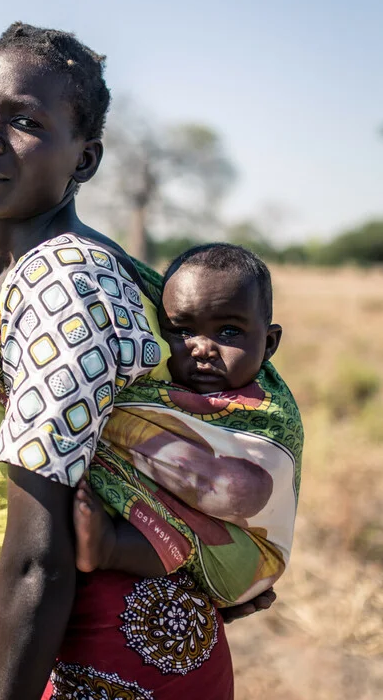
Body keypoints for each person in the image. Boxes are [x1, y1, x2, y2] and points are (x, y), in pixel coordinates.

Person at [0, 23, 294, 700]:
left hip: (105, 651)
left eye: (24, 120)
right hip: (67, 631)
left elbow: (40, 553)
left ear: (83, 161)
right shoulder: (14, 272)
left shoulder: (66, 284)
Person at [73, 243, 291, 594]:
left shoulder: (270, 413)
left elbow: (268, 469)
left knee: (206, 535)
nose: (201, 348)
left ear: (268, 344)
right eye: (182, 331)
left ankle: (110, 547)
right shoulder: (149, 389)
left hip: (243, 559)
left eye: (229, 332)